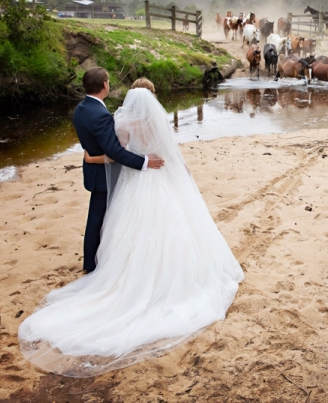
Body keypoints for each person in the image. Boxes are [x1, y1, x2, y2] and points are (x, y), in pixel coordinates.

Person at [19, 80, 244, 377]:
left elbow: (118, 154)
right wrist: (181, 175)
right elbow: (170, 153)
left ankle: (118, 269)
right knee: (174, 226)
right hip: (161, 176)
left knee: (126, 228)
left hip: (136, 181)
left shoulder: (121, 121)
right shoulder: (159, 119)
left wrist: (92, 157)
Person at [70, 68, 164, 273]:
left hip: (98, 172)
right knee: (104, 219)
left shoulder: (80, 109)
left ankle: (93, 263)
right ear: (104, 84)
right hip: (107, 175)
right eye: (109, 82)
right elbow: (115, 152)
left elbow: (105, 147)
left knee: (102, 219)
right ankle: (95, 263)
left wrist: (92, 158)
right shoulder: (103, 115)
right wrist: (146, 161)